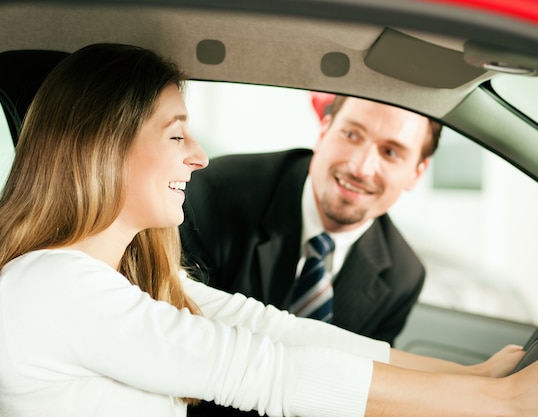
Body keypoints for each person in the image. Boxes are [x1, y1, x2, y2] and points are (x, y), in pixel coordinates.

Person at [0, 42, 538, 417]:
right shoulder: (52, 286)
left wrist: (474, 377)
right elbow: (263, 371)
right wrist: (505, 404)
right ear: (105, 151)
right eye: (176, 134)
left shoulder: (121, 275)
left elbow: (272, 330)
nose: (198, 155)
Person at [180, 92, 441, 346]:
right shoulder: (214, 195)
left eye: (391, 153)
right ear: (324, 131)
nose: (360, 168)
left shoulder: (403, 276)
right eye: (351, 135)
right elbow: (186, 338)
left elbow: (363, 379)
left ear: (416, 174)